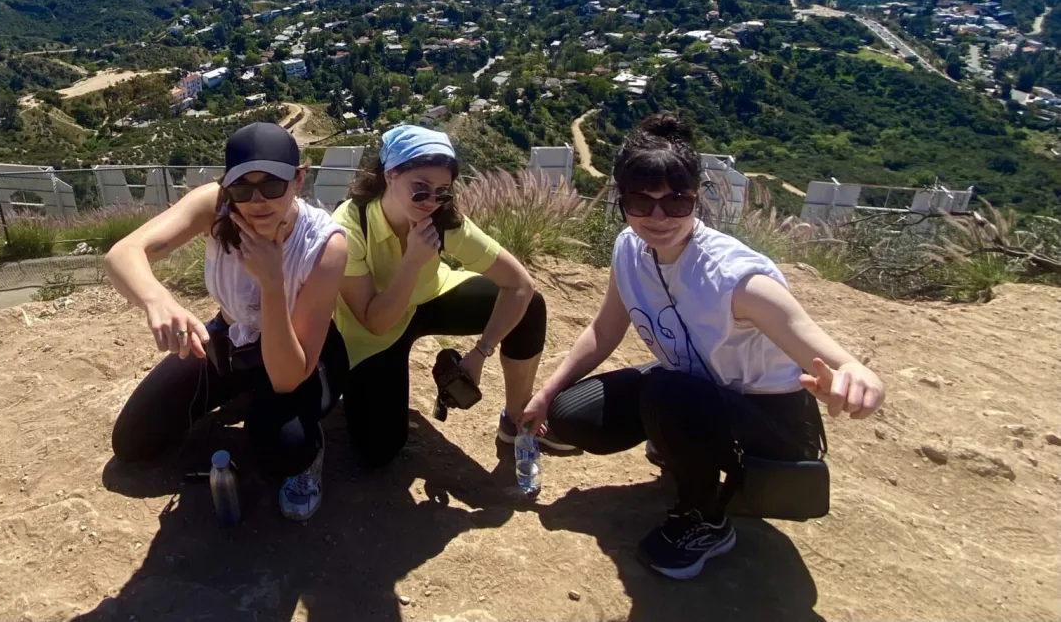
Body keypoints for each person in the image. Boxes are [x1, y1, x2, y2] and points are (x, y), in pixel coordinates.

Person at [522, 113, 886, 580]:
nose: (658, 218)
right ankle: (683, 446)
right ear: (621, 201)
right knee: (572, 415)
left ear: (697, 198)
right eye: (640, 201)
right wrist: (547, 393)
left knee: (668, 391)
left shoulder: (737, 279)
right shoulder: (630, 248)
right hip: (696, 389)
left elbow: (821, 346)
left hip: (769, 426)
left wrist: (857, 376)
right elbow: (604, 330)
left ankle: (706, 518)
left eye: (677, 201)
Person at [104, 122, 348, 522]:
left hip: (301, 356)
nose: (257, 200)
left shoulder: (324, 244)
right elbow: (123, 253)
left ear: (298, 180)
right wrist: (157, 300)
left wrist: (272, 283)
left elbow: (288, 377)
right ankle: (246, 394)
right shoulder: (215, 207)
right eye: (242, 188)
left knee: (283, 449)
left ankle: (309, 451)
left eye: (272, 185)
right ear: (226, 186)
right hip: (234, 338)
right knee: (133, 442)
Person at [333, 124, 570, 467]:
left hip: (430, 297)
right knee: (378, 451)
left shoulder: (443, 221)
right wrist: (412, 261)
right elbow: (375, 323)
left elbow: (520, 285)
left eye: (442, 192)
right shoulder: (350, 225)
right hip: (374, 331)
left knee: (530, 307)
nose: (431, 201)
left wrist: (480, 353)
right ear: (390, 174)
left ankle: (517, 416)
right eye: (421, 188)